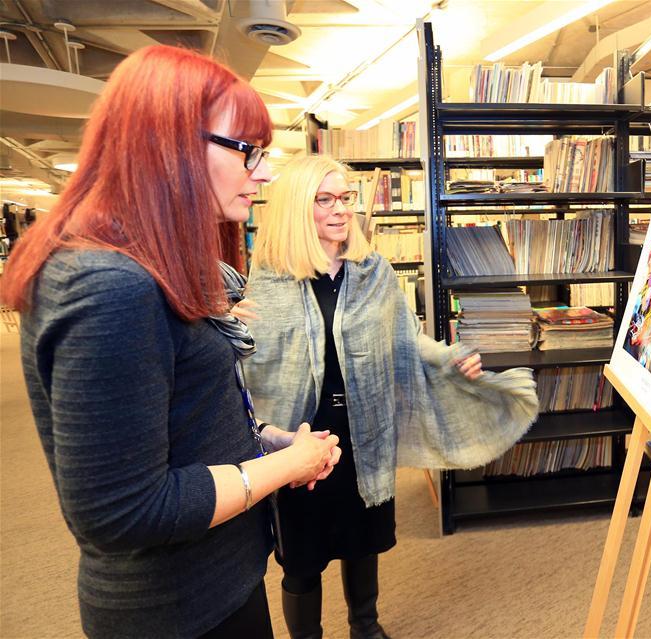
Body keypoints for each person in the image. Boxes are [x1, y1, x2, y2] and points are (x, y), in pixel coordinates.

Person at [0, 45, 341, 639]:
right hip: (177, 610)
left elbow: (173, 422)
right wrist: (287, 464)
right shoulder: (109, 285)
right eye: (249, 151)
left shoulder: (148, 265)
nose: (262, 172)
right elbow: (123, 510)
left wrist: (261, 441)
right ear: (172, 145)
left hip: (214, 583)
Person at [240, 155, 540, 639]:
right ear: (298, 207)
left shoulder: (372, 270)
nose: (340, 210)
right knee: (302, 553)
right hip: (299, 436)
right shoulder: (270, 279)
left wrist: (447, 358)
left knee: (363, 538)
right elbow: (254, 362)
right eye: (325, 200)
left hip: (364, 431)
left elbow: (403, 337)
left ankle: (366, 626)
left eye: (346, 198)